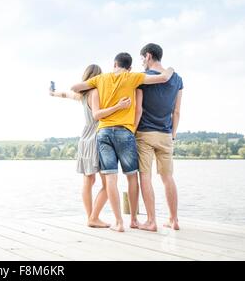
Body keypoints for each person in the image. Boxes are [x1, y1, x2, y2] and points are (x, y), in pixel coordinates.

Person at [71, 53, 174, 232]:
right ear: (130, 67)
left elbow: (74, 87)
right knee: (131, 176)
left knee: (110, 178)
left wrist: (93, 83)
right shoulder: (132, 77)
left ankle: (118, 222)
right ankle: (133, 219)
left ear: (114, 64)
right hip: (125, 132)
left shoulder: (100, 79)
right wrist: (171, 69)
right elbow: (164, 77)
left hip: (102, 133)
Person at [50, 64, 131, 228]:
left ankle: (91, 217)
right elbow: (98, 114)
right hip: (96, 136)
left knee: (88, 181)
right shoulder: (95, 92)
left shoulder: (82, 95)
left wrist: (53, 93)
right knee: (107, 183)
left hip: (84, 138)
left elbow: (66, 94)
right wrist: (118, 107)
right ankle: (93, 217)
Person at [134, 43, 183, 231]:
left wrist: (133, 131)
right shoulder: (177, 79)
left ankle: (151, 221)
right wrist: (173, 134)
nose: (142, 63)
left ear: (148, 56)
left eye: (141, 59)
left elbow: (138, 109)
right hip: (166, 134)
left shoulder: (143, 78)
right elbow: (176, 111)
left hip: (145, 133)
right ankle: (173, 219)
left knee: (145, 177)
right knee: (167, 177)